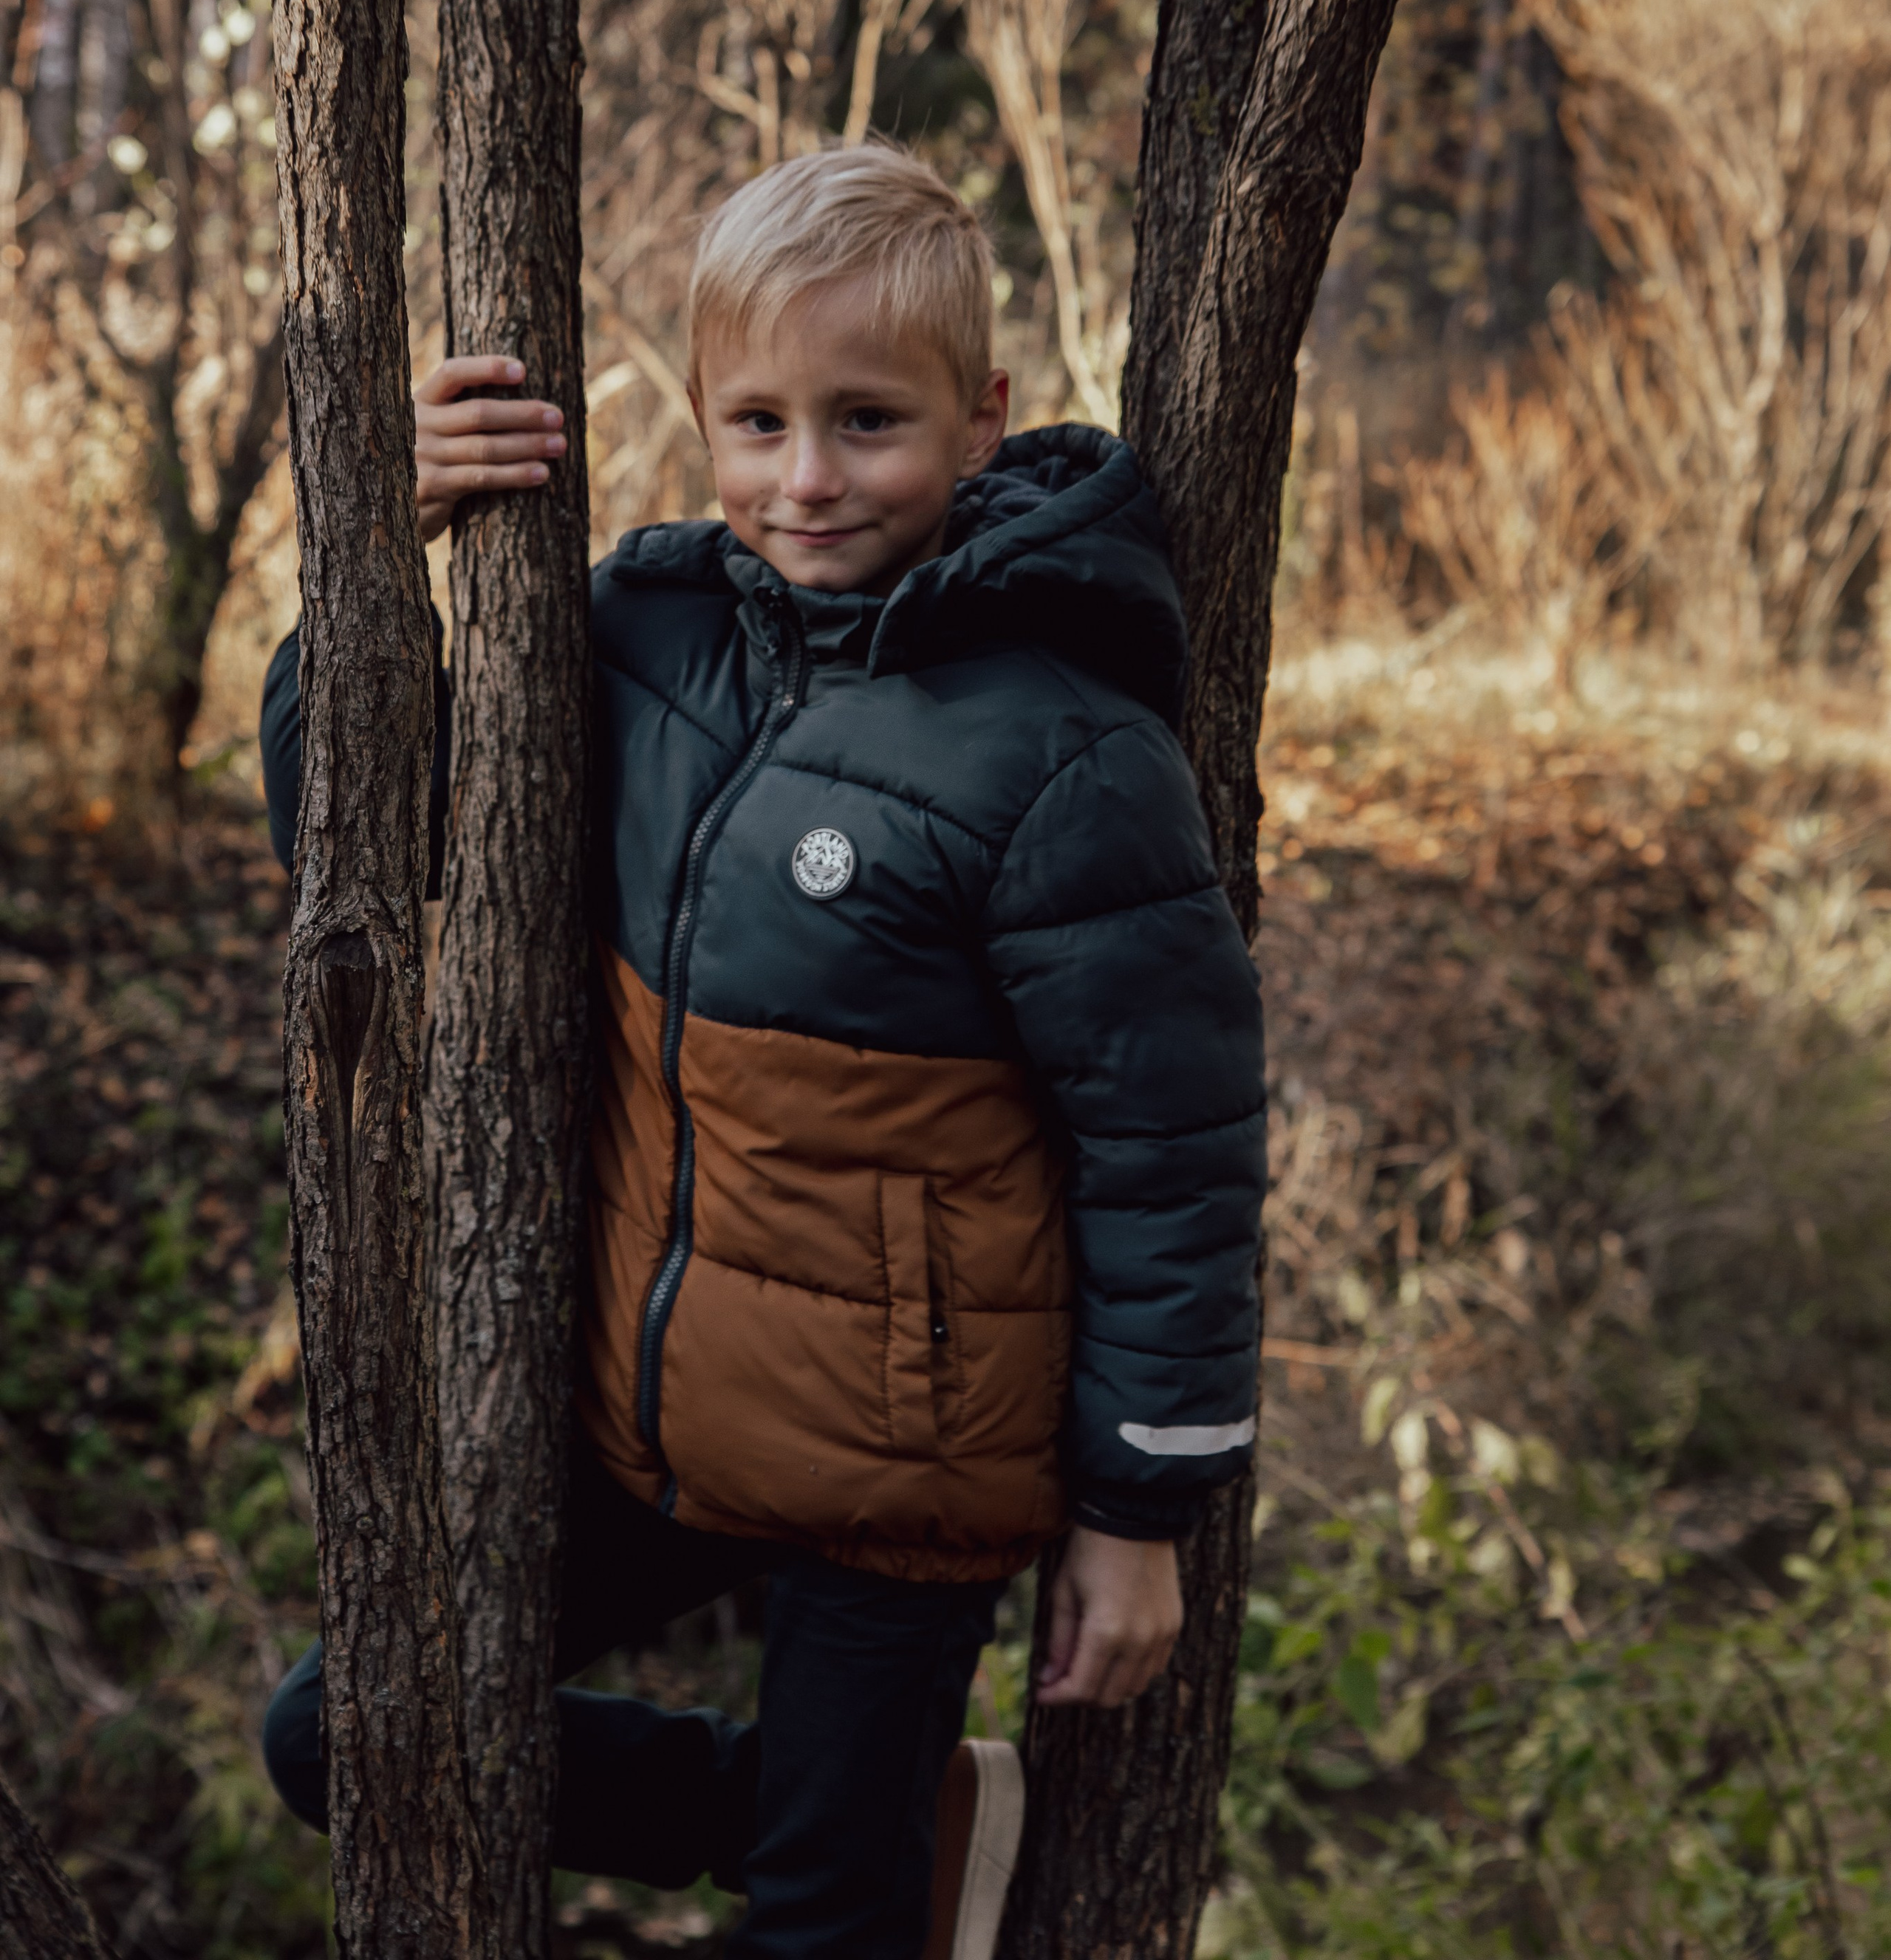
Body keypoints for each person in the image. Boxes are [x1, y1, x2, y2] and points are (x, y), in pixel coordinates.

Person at [258, 144, 1266, 1960]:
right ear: (701, 416)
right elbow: (362, 832)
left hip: (905, 1472)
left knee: (813, 1933)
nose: (805, 480)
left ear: (981, 420)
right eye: (757, 423)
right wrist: (369, 541)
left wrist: (1135, 1516)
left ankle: (844, 1854)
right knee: (341, 1730)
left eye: (867, 422)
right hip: (641, 1412)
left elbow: (1173, 1148)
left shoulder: (1061, 752)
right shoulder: (645, 637)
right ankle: (867, 1834)